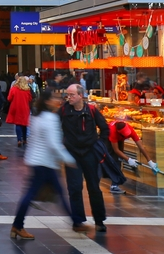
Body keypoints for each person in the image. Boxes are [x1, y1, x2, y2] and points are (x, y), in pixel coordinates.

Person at [10, 89, 78, 240]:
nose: (58, 101)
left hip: (37, 160)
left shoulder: (37, 116)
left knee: (54, 193)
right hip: (45, 163)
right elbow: (53, 144)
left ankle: (76, 222)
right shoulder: (50, 118)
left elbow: (34, 139)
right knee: (38, 195)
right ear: (48, 101)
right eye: (55, 98)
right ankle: (18, 225)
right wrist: (68, 159)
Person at [59, 84, 108, 233]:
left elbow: (105, 128)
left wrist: (100, 145)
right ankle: (78, 220)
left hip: (90, 153)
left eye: (72, 95)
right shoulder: (63, 110)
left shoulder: (91, 110)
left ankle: (99, 220)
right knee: (74, 188)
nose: (69, 98)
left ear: (81, 95)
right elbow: (54, 126)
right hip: (72, 153)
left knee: (94, 187)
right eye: (68, 95)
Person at [106, 120, 156, 194]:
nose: (127, 136)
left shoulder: (130, 129)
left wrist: (150, 161)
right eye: (125, 135)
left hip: (119, 138)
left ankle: (115, 184)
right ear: (119, 133)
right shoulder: (112, 132)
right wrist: (128, 159)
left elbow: (141, 147)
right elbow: (116, 150)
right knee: (114, 159)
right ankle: (113, 185)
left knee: (120, 158)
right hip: (107, 138)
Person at [7, 76, 33, 148]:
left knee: (18, 123)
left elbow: (9, 98)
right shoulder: (27, 90)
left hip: (16, 107)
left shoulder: (14, 89)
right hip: (25, 108)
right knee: (24, 123)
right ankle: (24, 139)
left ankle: (19, 140)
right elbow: (30, 99)